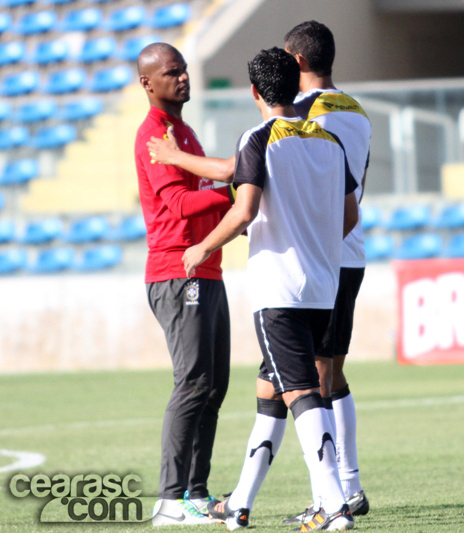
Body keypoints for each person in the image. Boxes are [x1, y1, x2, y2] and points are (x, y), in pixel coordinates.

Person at [146, 21, 373, 523]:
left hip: (279, 289)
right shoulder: (327, 137)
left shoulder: (259, 137)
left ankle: (335, 506)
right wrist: (313, 238)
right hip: (322, 283)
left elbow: (244, 211)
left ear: (254, 92)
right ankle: (241, 502)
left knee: (302, 392)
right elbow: (350, 213)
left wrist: (203, 246)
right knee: (272, 388)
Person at [135, 42, 232, 527]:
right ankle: (169, 501)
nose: (184, 78)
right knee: (193, 381)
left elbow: (202, 192)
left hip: (207, 269)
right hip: (178, 271)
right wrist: (236, 191)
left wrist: (231, 194)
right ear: (147, 83)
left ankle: (196, 493)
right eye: (172, 72)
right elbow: (177, 205)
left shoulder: (184, 134)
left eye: (185, 70)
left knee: (214, 386)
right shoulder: (153, 137)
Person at [282, 20, 372, 525]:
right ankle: (349, 486)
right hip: (351, 251)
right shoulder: (356, 110)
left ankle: (331, 496)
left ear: (296, 62)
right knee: (331, 371)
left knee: (313, 378)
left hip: (321, 253)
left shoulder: (301, 114)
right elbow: (359, 185)